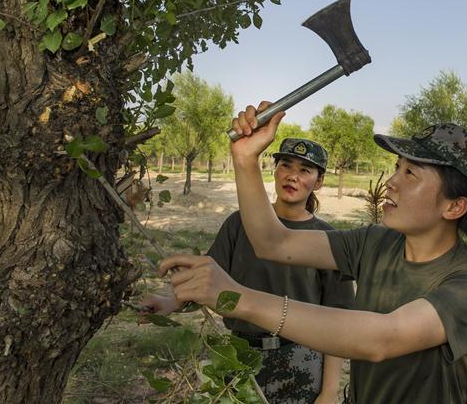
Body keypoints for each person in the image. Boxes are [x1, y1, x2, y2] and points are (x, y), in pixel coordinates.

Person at [158, 106, 467, 403]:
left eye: (410, 173)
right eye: (396, 168)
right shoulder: (375, 243)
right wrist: (246, 160)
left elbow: (380, 339)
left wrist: (238, 299)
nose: (391, 181)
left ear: (454, 207)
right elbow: (274, 242)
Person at [143, 137, 354, 404]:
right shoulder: (239, 224)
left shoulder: (328, 240)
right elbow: (208, 283)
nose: (292, 176)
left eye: (305, 170)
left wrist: (329, 392)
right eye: (286, 165)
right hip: (238, 355)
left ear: (319, 182)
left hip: (301, 361)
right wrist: (168, 303)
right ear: (274, 170)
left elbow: (337, 323)